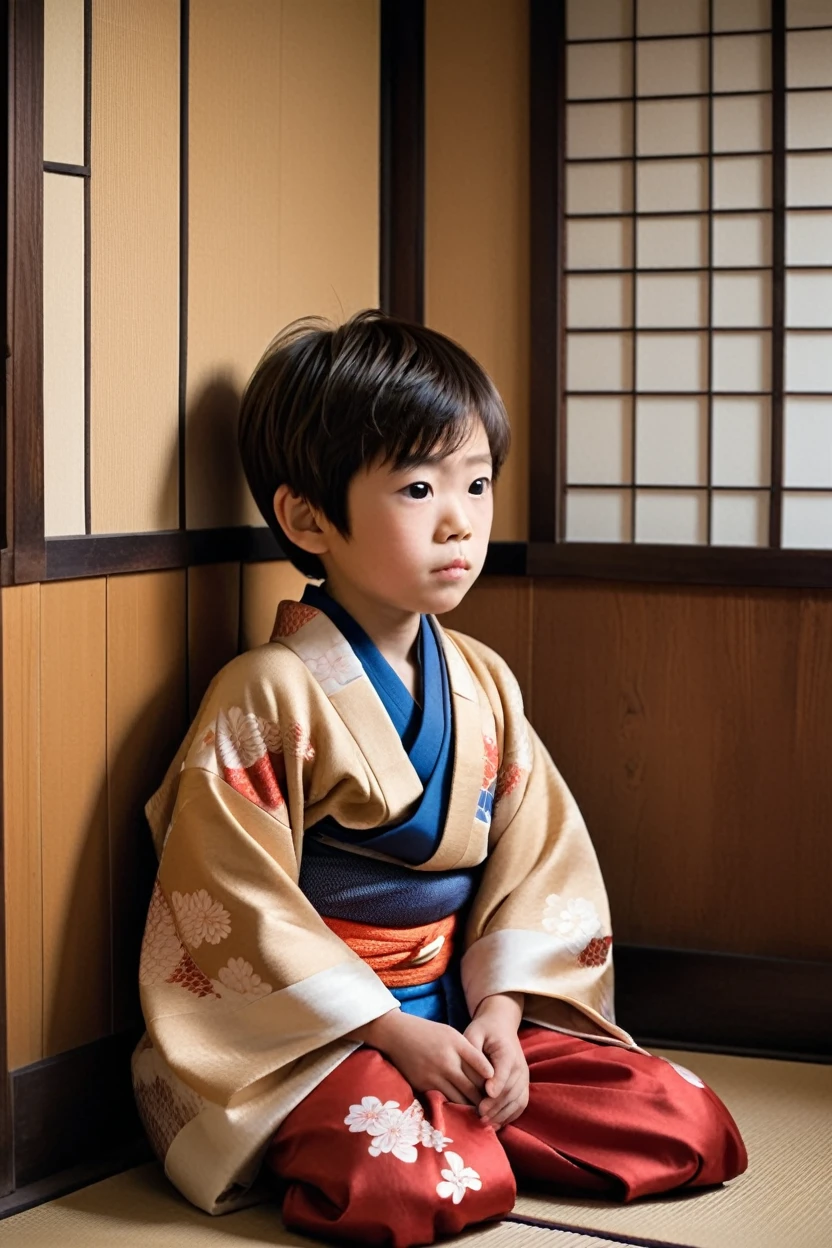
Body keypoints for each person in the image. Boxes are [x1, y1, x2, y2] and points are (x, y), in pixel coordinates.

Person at [132, 310, 747, 1246]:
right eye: (419, 488)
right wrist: (387, 1030)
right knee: (412, 1189)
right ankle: (433, 1123)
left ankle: (467, 1112)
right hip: (323, 1034)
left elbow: (542, 863)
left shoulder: (483, 677)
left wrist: (501, 1011)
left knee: (686, 1122)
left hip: (463, 1003)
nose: (461, 520)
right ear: (307, 518)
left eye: (477, 482)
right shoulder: (264, 693)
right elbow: (230, 903)